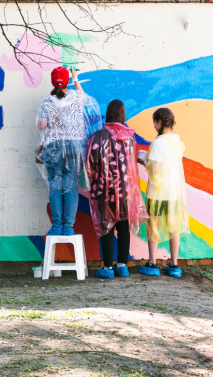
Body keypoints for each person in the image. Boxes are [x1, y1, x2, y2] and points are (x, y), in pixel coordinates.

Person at [36, 66, 102, 236]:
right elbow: (84, 97)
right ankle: (69, 226)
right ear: (67, 82)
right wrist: (75, 78)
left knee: (55, 186)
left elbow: (41, 125)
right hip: (75, 146)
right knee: (71, 186)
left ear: (53, 82)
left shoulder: (47, 102)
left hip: (53, 147)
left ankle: (57, 225)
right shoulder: (76, 97)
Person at [85, 100, 148, 279]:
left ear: (108, 114)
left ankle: (107, 268)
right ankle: (122, 266)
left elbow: (90, 162)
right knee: (123, 227)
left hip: (103, 190)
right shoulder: (129, 137)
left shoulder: (98, 136)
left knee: (106, 227)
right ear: (122, 115)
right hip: (126, 191)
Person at [137, 107, 188, 278]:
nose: (153, 126)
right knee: (174, 228)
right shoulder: (176, 141)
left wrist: (144, 161)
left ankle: (152, 264)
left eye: (154, 122)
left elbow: (156, 169)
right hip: (173, 193)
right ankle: (174, 265)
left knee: (153, 226)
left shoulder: (159, 142)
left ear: (159, 122)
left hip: (157, 193)